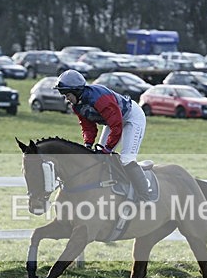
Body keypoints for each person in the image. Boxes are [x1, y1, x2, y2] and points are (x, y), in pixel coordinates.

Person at [54, 69, 150, 202]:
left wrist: (108, 148)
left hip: (131, 118)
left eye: (67, 94)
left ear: (76, 91)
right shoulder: (77, 106)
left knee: (127, 159)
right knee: (97, 156)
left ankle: (145, 196)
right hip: (113, 121)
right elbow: (88, 127)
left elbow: (116, 126)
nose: (66, 98)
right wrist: (88, 144)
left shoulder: (100, 99)